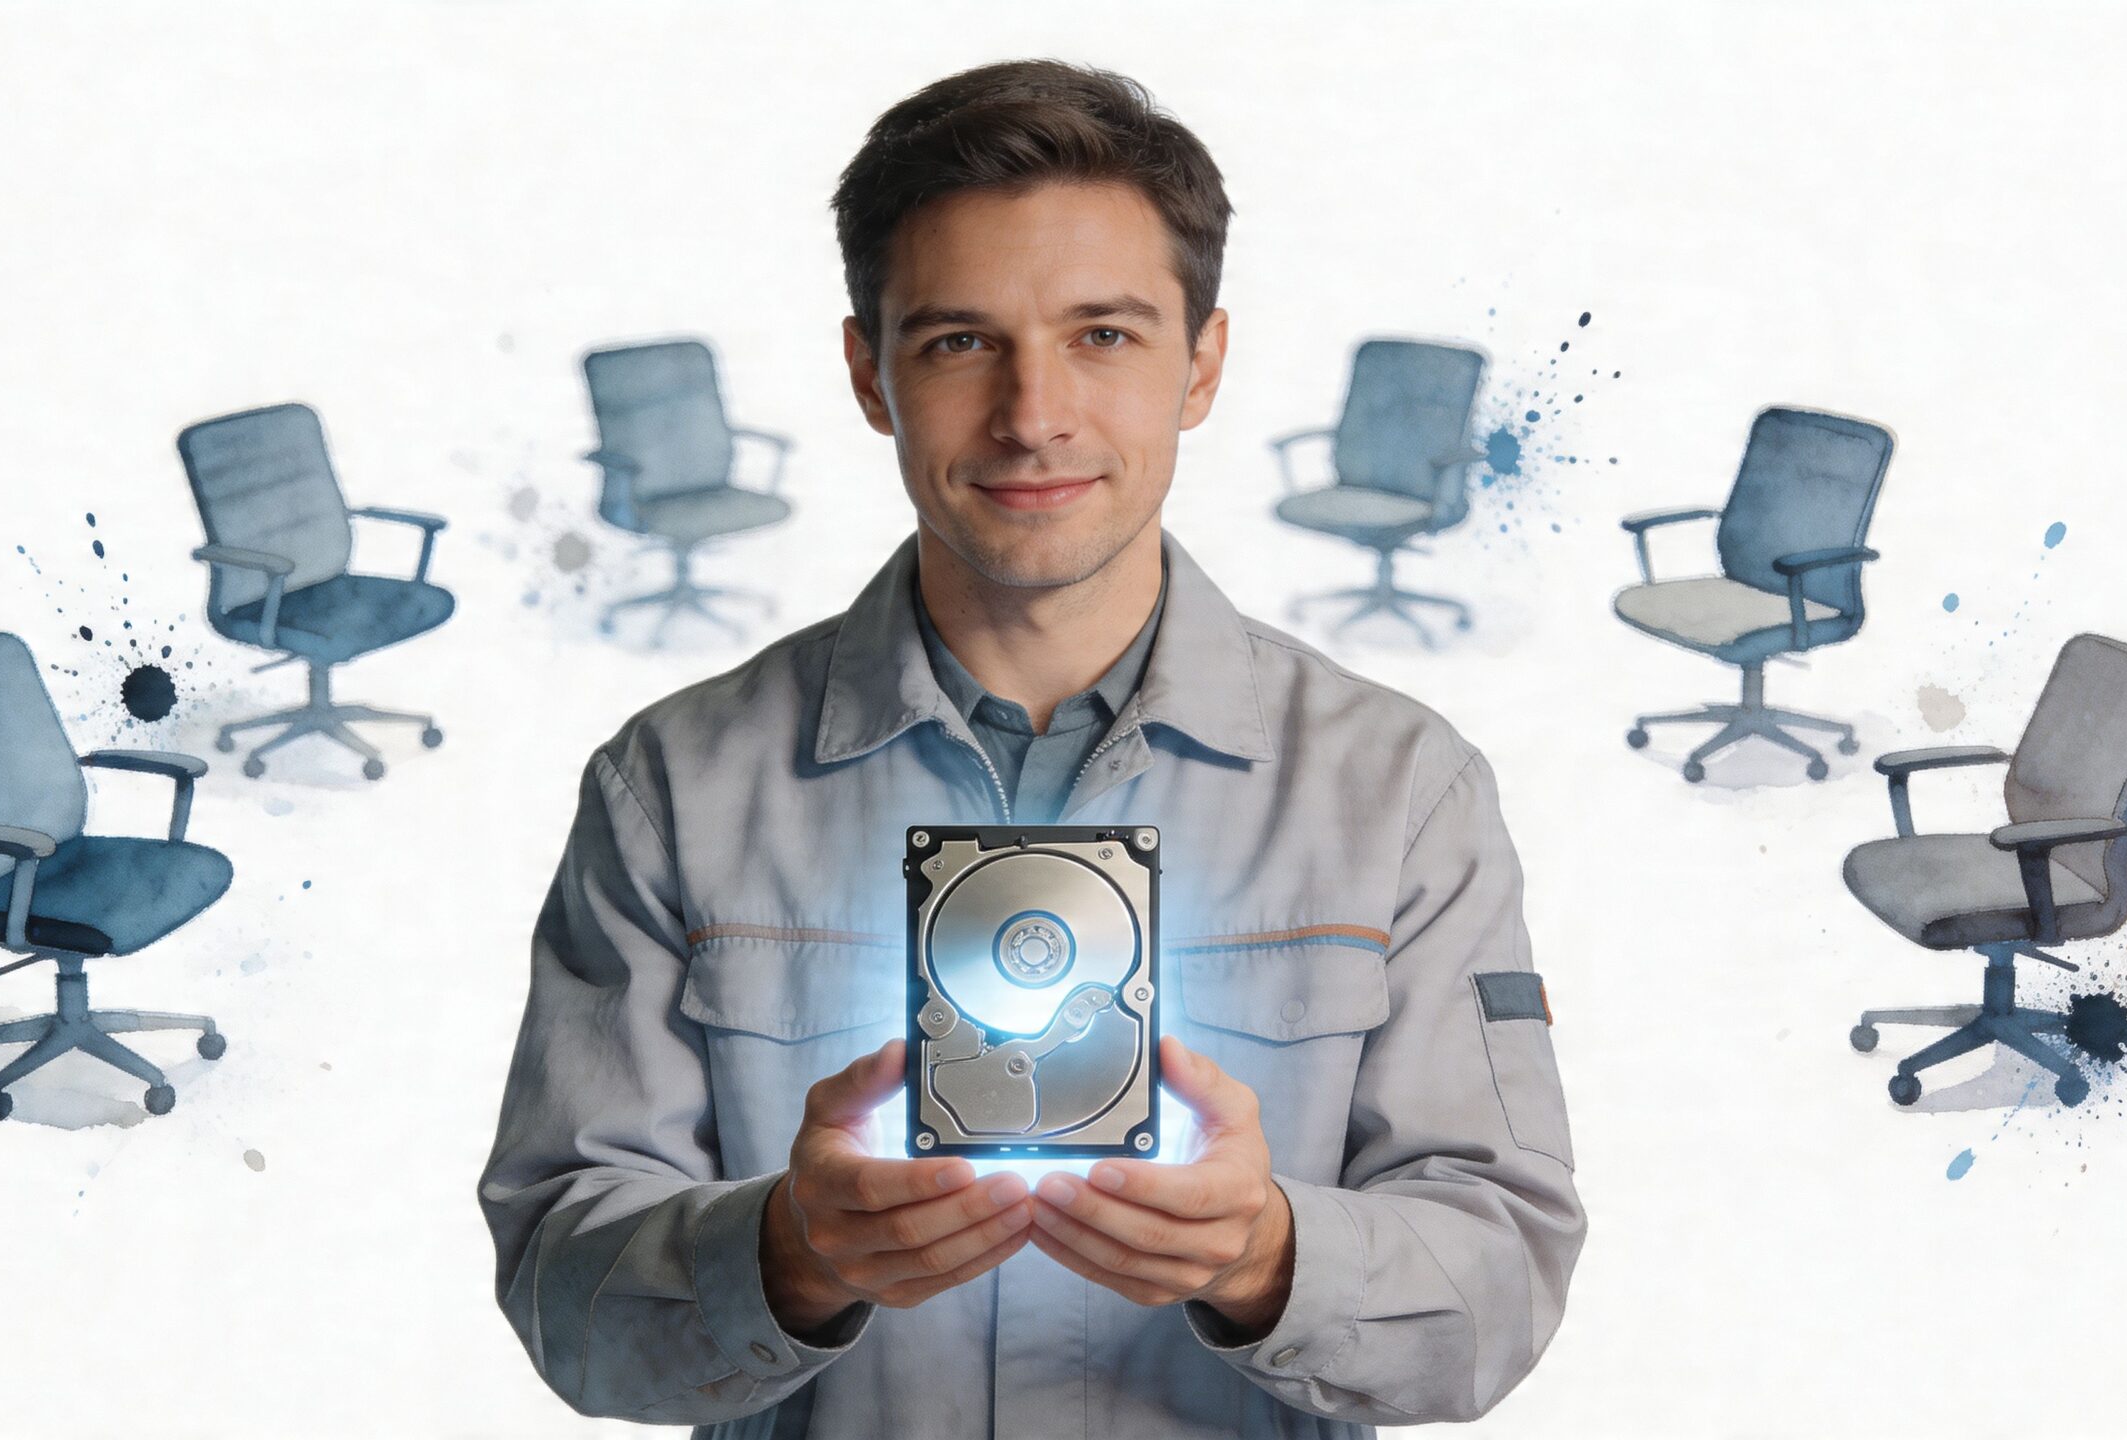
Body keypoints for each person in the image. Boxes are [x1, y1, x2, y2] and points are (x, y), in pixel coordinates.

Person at [477, 58, 1586, 1439]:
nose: (1033, 413)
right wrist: (789, 1255)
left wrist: (1265, 1257)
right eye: (957, 341)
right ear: (868, 375)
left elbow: (1504, 1284)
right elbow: (560, 1285)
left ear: (1204, 364)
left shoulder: (1403, 790)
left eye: (1105, 336)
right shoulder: (673, 789)